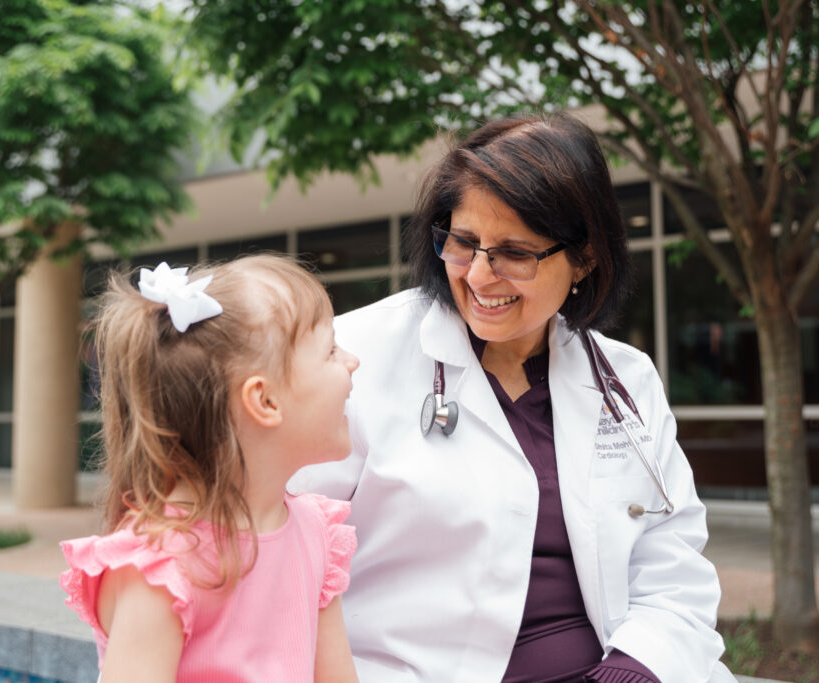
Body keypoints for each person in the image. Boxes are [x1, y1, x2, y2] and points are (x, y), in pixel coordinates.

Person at [289, 113, 736, 683]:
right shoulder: (353, 357)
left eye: (515, 253)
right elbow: (279, 553)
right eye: (463, 242)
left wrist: (632, 671)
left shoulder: (625, 380)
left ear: (586, 258)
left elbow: (672, 566)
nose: (479, 275)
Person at [60, 255, 360, 683]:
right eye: (331, 350)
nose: (352, 361)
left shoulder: (316, 531)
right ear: (265, 401)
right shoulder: (162, 568)